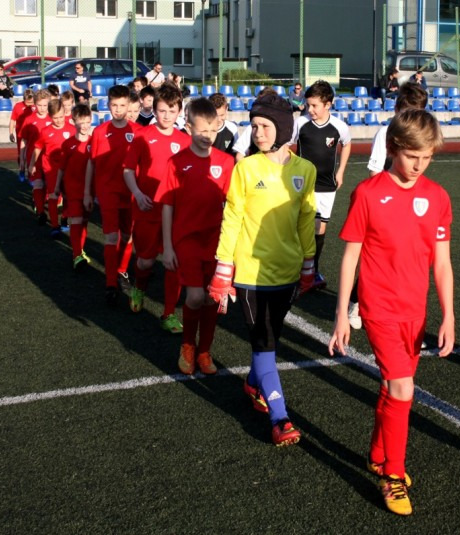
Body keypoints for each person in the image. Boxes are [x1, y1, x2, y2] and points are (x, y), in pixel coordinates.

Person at [328, 108, 454, 516]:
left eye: (427, 157)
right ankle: (393, 476)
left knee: (392, 386)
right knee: (402, 389)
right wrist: (341, 315)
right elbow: (350, 257)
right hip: (378, 307)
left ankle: (378, 454)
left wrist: (448, 315)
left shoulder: (438, 197)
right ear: (393, 147)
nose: (419, 165)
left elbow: (442, 262)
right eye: (412, 156)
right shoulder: (368, 193)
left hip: (415, 310)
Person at [207, 92, 317, 446]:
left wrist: (309, 263)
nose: (258, 133)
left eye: (265, 126)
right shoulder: (245, 168)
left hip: (287, 272)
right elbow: (232, 218)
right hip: (251, 274)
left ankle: (254, 383)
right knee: (265, 343)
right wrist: (224, 266)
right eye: (254, 126)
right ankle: (280, 418)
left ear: (283, 128)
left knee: (269, 338)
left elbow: (306, 220)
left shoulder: (305, 171)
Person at [158, 97, 233, 377]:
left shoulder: (226, 162)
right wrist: (168, 247)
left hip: (216, 242)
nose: (208, 136)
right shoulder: (176, 162)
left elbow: (233, 207)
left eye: (213, 130)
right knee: (195, 296)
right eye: (202, 130)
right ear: (188, 128)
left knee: (211, 299)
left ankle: (205, 351)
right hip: (186, 240)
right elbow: (167, 205)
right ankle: (188, 346)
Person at [349, 83, 429, 329]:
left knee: (407, 261)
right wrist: (382, 205)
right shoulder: (385, 133)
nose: (411, 118)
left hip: (412, 204)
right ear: (396, 110)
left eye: (417, 112)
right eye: (407, 112)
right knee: (377, 259)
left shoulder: (423, 134)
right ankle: (355, 303)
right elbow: (375, 170)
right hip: (386, 204)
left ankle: (400, 312)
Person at [123, 84, 191, 332]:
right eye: (162, 110)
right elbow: (128, 170)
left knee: (174, 263)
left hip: (175, 214)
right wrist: (138, 194)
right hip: (148, 209)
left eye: (171, 111)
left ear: (179, 111)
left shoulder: (185, 141)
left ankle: (169, 313)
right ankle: (139, 287)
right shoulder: (142, 136)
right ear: (154, 110)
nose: (166, 116)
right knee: (145, 262)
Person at [85, 85, 142, 307]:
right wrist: (88, 192)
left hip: (131, 192)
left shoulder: (138, 132)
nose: (118, 109)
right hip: (107, 191)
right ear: (108, 105)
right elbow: (92, 163)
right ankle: (110, 283)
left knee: (128, 236)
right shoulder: (99, 132)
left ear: (129, 106)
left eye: (122, 105)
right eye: (114, 105)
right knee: (111, 237)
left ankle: (121, 270)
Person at [294, 80, 351, 291]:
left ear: (328, 104)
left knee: (319, 228)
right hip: (301, 184)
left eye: (314, 105)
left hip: (326, 184)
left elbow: (347, 144)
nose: (310, 109)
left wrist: (341, 171)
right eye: (308, 105)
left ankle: (313, 270)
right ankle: (296, 268)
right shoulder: (300, 123)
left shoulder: (339, 126)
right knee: (298, 226)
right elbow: (288, 146)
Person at [54, 103, 94, 270]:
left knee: (84, 220)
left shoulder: (95, 142)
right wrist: (57, 187)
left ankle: (80, 250)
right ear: (73, 121)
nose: (84, 126)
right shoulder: (68, 144)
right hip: (73, 188)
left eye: (87, 122)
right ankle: (76, 255)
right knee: (76, 219)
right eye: (81, 122)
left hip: (90, 189)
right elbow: (61, 168)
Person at [31, 98, 77, 237]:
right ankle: (55, 226)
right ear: (50, 116)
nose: (59, 120)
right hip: (51, 169)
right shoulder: (45, 131)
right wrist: (32, 164)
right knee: (53, 195)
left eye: (61, 117)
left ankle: (64, 218)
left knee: (68, 195)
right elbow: (37, 148)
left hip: (68, 169)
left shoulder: (72, 129)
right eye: (55, 118)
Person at [19, 89, 53, 225]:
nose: (42, 108)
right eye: (40, 105)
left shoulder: (53, 118)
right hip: (33, 158)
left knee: (49, 185)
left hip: (50, 158)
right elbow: (24, 140)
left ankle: (49, 207)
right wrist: (22, 158)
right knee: (38, 183)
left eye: (45, 105)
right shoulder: (29, 120)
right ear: (35, 104)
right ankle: (40, 212)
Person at [10, 88, 36, 181]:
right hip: (21, 134)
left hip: (32, 134)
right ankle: (21, 170)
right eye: (28, 102)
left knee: (31, 154)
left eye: (32, 102)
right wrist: (11, 133)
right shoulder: (18, 106)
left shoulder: (36, 107)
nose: (30, 104)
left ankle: (31, 174)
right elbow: (12, 120)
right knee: (22, 154)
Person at [208, 92, 239, 157]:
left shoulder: (232, 128)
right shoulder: (203, 128)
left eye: (222, 115)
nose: (219, 119)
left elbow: (236, 153)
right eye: (215, 115)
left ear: (226, 109)